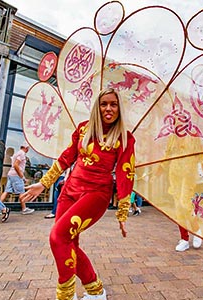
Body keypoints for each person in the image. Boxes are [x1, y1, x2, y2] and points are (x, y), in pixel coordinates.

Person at [20, 88, 135, 300]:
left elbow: (125, 172)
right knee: (68, 242)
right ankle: (95, 291)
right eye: (104, 104)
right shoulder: (83, 129)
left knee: (58, 237)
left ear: (119, 108)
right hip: (69, 191)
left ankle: (65, 295)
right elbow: (66, 158)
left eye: (113, 104)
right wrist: (43, 183)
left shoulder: (125, 137)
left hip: (96, 195)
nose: (108, 108)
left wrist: (123, 211)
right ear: (97, 107)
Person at [0, 142, 34, 214]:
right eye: (28, 148)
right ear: (26, 148)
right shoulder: (22, 154)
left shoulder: (17, 153)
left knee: (6, 191)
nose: (28, 150)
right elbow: (16, 165)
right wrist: (21, 176)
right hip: (16, 175)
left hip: (11, 174)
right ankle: (24, 209)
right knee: (21, 192)